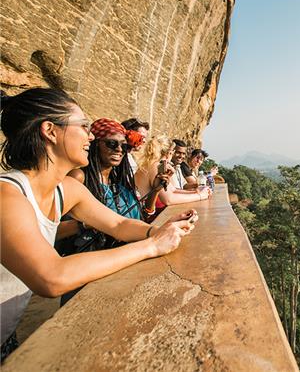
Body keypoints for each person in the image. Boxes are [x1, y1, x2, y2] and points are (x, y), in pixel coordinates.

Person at [0, 88, 196, 361]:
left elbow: (118, 224)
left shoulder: (66, 189)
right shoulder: (7, 195)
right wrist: (151, 246)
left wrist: (157, 230)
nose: (90, 136)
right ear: (50, 131)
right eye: (83, 126)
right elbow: (51, 277)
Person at [135, 136, 209, 216]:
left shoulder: (153, 163)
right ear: (169, 153)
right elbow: (169, 199)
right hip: (140, 215)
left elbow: (173, 190)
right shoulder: (155, 166)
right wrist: (200, 196)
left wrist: (197, 191)